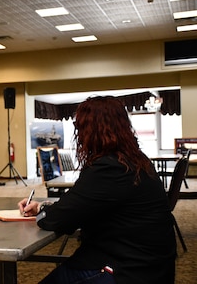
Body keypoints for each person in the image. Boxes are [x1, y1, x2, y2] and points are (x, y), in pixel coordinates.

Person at [19, 96, 176, 284]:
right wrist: (43, 206)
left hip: (126, 271)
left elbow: (57, 219)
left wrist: (44, 212)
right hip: (152, 266)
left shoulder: (110, 167)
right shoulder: (134, 160)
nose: (79, 135)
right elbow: (79, 204)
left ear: (93, 131)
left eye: (80, 128)